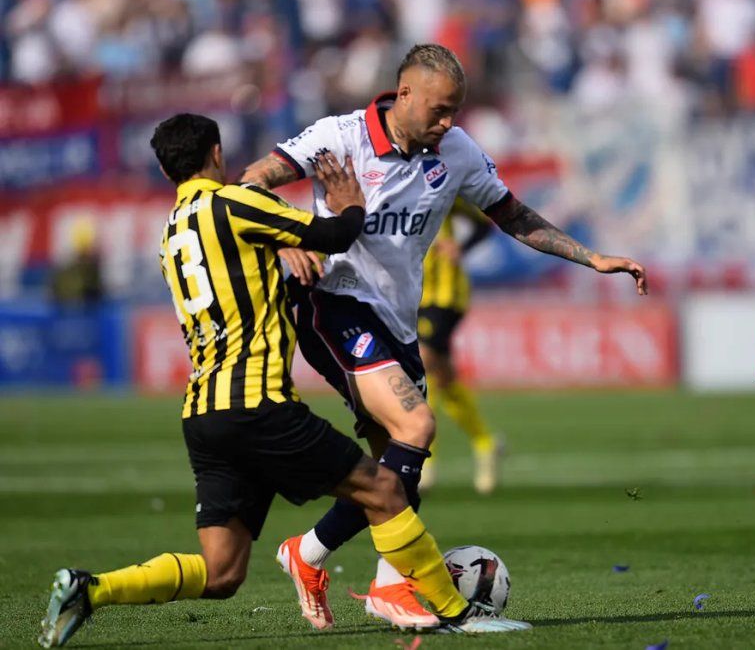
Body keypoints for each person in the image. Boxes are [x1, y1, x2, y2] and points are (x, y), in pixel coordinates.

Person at [37, 114, 529, 648]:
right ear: (218, 155)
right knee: (386, 486)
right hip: (260, 405)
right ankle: (455, 610)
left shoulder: (172, 233)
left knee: (222, 572)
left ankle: (92, 589)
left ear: (163, 169)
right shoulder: (235, 204)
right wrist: (348, 201)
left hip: (203, 415)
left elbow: (250, 258)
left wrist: (281, 245)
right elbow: (336, 233)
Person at [240, 43, 647, 630]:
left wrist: (593, 257)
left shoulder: (455, 152)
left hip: (398, 319)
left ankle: (307, 555)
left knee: (394, 479)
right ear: (403, 94)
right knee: (417, 427)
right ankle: (394, 590)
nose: (448, 122)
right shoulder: (340, 136)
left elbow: (512, 214)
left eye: (455, 110)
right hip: (333, 304)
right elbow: (253, 181)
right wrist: (288, 239)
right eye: (438, 110)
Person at [417, 198, 500, 494]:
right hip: (409, 292)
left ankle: (424, 460)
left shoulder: (443, 187)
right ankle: (485, 442)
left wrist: (460, 248)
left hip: (445, 295)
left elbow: (483, 224)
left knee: (422, 363)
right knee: (444, 377)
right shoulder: (386, 182)